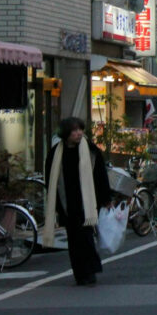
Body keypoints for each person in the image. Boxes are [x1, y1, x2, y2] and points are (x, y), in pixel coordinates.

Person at [44, 117, 112, 286]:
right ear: (66, 134)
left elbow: (100, 175)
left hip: (86, 201)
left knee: (87, 237)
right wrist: (57, 206)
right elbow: (50, 180)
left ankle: (90, 271)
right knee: (73, 240)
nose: (79, 133)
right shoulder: (55, 154)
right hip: (67, 202)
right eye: (74, 130)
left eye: (80, 129)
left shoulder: (90, 150)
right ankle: (79, 273)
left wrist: (105, 198)